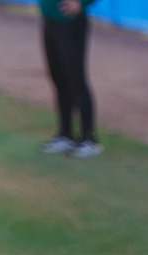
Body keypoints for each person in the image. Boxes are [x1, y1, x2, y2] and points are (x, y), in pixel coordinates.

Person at [37, 0, 100, 158]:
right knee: (59, 78)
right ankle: (66, 134)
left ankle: (89, 139)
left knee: (75, 79)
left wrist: (82, 3)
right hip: (50, 20)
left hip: (70, 22)